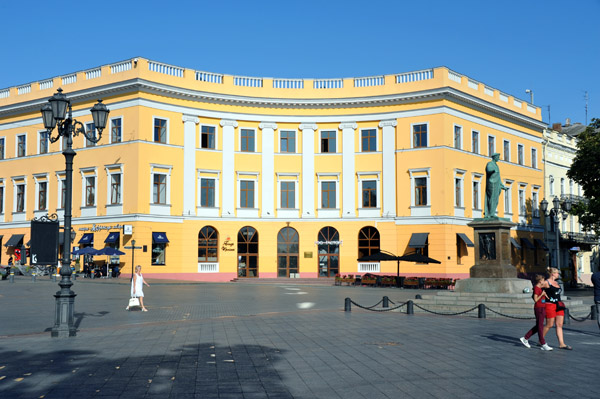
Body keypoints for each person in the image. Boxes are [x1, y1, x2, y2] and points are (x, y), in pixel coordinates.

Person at [520, 275, 553, 350]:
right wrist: (542, 294)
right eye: (543, 280)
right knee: (540, 326)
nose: (544, 281)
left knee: (538, 326)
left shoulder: (539, 288)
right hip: (539, 308)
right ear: (540, 281)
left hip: (542, 308)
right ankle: (543, 343)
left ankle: (525, 338)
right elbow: (535, 299)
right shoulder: (537, 289)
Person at [542, 267, 572, 350]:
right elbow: (537, 289)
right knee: (550, 324)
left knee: (559, 325)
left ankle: (561, 344)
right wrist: (543, 296)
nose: (558, 274)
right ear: (552, 274)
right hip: (550, 305)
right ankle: (540, 340)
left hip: (558, 305)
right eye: (557, 273)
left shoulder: (557, 282)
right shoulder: (546, 282)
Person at [484, 153, 507, 218]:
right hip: (492, 183)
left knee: (496, 199)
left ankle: (492, 212)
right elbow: (488, 170)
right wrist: (492, 170)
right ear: (494, 157)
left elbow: (498, 178)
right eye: (498, 157)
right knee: (492, 198)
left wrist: (502, 186)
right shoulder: (490, 164)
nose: (499, 158)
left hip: (496, 184)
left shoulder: (496, 165)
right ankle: (490, 213)